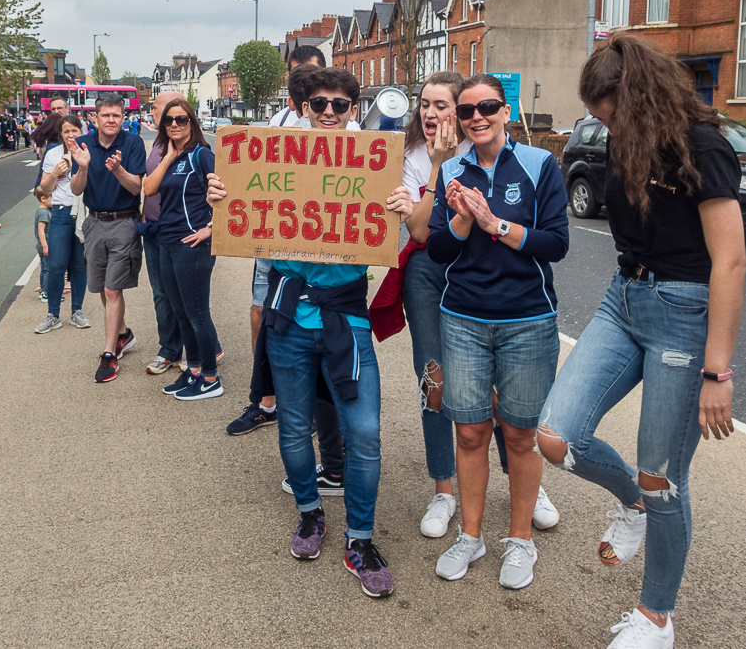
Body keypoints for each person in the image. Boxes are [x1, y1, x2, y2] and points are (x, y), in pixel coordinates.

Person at [535, 35, 743, 648]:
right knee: (557, 435)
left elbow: (730, 262)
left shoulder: (703, 146)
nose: (603, 126)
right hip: (622, 299)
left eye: (609, 114)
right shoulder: (628, 143)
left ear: (641, 97)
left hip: (685, 312)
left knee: (664, 478)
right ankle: (631, 507)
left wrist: (718, 373)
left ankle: (657, 617)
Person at [207, 66, 414, 598]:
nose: (328, 112)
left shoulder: (375, 165)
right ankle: (308, 513)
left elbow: (409, 231)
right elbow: (245, 213)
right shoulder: (269, 159)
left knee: (364, 433)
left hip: (347, 319)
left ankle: (361, 538)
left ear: (353, 109)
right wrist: (221, 199)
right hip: (289, 320)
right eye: (319, 103)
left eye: (340, 105)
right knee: (294, 428)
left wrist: (404, 205)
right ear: (303, 105)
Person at [371, 72, 560, 539]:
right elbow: (420, 233)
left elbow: (545, 236)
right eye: (425, 105)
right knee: (436, 378)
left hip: (483, 273)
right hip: (431, 269)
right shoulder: (414, 154)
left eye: (444, 105)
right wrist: (436, 166)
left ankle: (522, 479)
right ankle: (444, 490)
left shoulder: (492, 145)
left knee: (494, 383)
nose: (433, 114)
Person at [425, 73, 569, 590]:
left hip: (527, 319)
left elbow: (556, 243)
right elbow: (438, 250)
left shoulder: (539, 164)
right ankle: (471, 535)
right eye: (466, 111)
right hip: (463, 317)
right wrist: (463, 220)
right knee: (469, 432)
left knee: (520, 434)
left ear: (506, 111)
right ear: (459, 121)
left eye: (487, 106)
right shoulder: (452, 172)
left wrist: (495, 225)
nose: (477, 117)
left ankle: (520, 540)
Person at [227, 46, 327, 435]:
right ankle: (267, 400)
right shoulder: (278, 122)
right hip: (275, 238)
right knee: (260, 312)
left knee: (314, 321)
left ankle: (313, 405)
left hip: (320, 241)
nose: (303, 79)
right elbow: (252, 177)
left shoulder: (343, 127)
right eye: (296, 73)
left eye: (311, 73)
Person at [143, 97, 222, 400]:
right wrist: (168, 155)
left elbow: (229, 194)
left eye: (182, 119)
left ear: (192, 122)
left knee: (197, 313)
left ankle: (211, 378)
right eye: (169, 120)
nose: (175, 124)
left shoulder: (202, 155)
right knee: (180, 312)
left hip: (193, 245)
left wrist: (210, 228)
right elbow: (149, 189)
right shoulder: (171, 157)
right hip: (167, 241)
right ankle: (195, 370)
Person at [68, 96, 146, 382]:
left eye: (116, 115)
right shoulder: (84, 144)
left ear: (123, 117)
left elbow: (136, 186)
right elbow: (77, 190)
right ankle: (123, 334)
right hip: (94, 222)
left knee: (113, 290)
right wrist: (84, 167)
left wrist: (118, 170)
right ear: (95, 117)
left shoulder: (133, 143)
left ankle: (109, 354)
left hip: (124, 221)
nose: (111, 120)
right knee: (101, 287)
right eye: (105, 115)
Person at [141, 90, 189, 375]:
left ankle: (198, 348)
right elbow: (147, 185)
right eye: (161, 109)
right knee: (161, 293)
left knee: (184, 295)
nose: (159, 113)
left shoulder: (192, 147)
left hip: (180, 230)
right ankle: (169, 349)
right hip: (153, 227)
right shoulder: (158, 142)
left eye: (172, 109)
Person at [34, 114, 91, 333]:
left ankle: (77, 311)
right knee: (56, 265)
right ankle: (53, 315)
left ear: (81, 131)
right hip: (60, 212)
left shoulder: (88, 151)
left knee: (79, 265)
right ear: (60, 134)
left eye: (74, 130)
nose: (70, 135)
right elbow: (44, 189)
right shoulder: (53, 154)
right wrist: (56, 172)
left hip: (83, 212)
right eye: (66, 131)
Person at [35, 190, 52, 301]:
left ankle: (43, 289)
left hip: (42, 245)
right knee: (47, 269)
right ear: (43, 199)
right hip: (45, 245)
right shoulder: (44, 213)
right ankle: (46, 292)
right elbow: (41, 230)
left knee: (44, 268)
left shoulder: (41, 210)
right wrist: (45, 246)